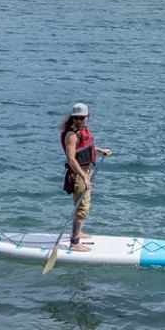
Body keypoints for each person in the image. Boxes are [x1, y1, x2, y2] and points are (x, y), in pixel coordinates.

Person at [60, 103, 112, 251]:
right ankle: (74, 243)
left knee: (82, 207)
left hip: (85, 172)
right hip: (78, 175)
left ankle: (78, 232)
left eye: (82, 118)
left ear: (87, 117)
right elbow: (71, 159)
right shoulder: (71, 135)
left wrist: (100, 150)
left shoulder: (82, 131)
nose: (79, 121)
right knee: (82, 208)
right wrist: (83, 176)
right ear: (73, 118)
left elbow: (84, 148)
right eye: (76, 118)